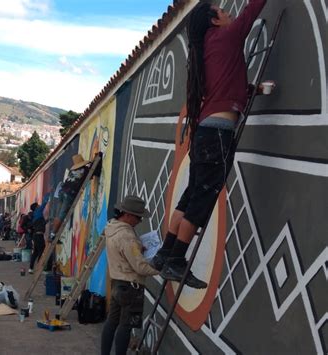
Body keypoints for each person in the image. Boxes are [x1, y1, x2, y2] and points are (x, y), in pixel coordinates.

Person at [152, 0, 267, 289]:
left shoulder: (206, 48)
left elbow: (225, 85)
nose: (230, 14)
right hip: (217, 134)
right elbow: (253, 9)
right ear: (215, 21)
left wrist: (253, 90)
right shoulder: (226, 36)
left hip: (206, 131)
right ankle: (177, 260)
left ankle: (165, 253)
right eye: (224, 12)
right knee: (202, 198)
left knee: (191, 195)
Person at [101, 195, 159, 355]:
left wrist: (137, 250)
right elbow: (140, 267)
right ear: (127, 215)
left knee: (112, 322)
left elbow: (125, 254)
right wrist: (159, 269)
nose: (140, 220)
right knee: (125, 326)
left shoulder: (111, 228)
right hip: (130, 286)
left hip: (117, 283)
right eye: (138, 217)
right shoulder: (127, 235)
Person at [50, 154, 92, 239]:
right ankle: (53, 234)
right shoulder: (84, 170)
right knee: (62, 215)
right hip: (69, 194)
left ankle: (52, 233)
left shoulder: (71, 171)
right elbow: (93, 172)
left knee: (58, 215)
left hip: (62, 192)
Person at [28, 194, 50, 273]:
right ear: (36, 207)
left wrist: (47, 220)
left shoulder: (35, 215)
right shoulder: (38, 211)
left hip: (36, 235)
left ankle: (31, 268)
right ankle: (40, 268)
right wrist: (49, 194)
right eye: (38, 205)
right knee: (41, 251)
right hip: (39, 236)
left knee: (36, 252)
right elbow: (44, 203)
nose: (39, 206)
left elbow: (41, 224)